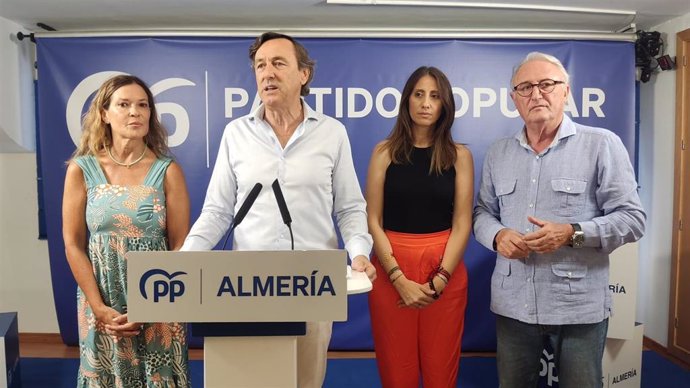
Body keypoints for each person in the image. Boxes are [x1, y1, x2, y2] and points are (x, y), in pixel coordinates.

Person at [181, 32, 376, 388]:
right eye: (260, 66)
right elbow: (217, 211)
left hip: (314, 284)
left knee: (305, 381)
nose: (267, 73)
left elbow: (349, 208)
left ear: (304, 75)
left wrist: (360, 253)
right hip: (246, 286)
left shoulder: (332, 134)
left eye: (278, 63)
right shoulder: (236, 134)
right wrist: (184, 261)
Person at [473, 52, 646, 388]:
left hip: (578, 307)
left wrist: (572, 233)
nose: (536, 94)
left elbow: (633, 219)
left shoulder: (602, 144)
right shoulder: (498, 153)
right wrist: (497, 236)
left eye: (547, 84)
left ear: (566, 91)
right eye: (525, 87)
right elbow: (482, 213)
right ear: (514, 99)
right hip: (514, 305)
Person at [62, 75, 191, 387]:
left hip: (159, 301)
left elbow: (182, 245)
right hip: (100, 302)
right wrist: (98, 306)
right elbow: (73, 244)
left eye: (143, 105)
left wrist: (152, 304)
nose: (136, 112)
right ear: (104, 114)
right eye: (124, 104)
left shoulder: (168, 170)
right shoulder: (82, 169)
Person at [366, 66, 473, 388]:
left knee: (441, 370)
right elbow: (373, 220)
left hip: (444, 268)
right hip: (390, 266)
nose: (426, 103)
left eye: (435, 96)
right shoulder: (384, 152)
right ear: (407, 100)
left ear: (445, 105)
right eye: (419, 94)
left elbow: (462, 222)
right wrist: (398, 278)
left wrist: (440, 279)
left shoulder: (459, 155)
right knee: (397, 370)